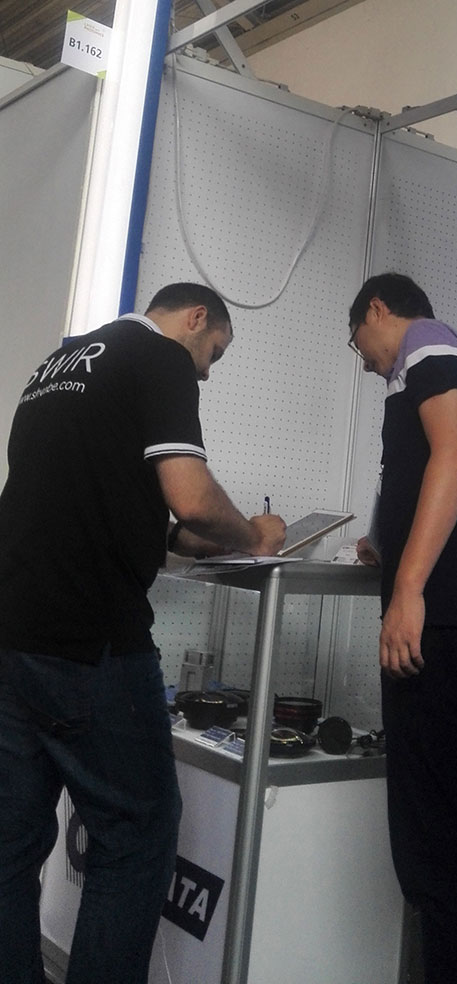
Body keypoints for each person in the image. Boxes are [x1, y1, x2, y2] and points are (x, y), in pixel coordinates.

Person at [0, 283, 286, 984]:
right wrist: (254, 535)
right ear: (195, 319)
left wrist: (205, 539)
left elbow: (122, 514)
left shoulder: (58, 365)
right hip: (90, 639)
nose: (206, 371)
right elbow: (191, 495)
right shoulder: (159, 356)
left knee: (10, 844)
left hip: (12, 635)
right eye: (214, 352)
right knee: (137, 835)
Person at [347, 272, 457, 984]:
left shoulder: (426, 346)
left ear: (377, 310)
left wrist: (409, 586)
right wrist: (390, 541)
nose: (365, 362)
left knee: (434, 851)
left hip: (444, 628)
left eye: (358, 342)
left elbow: (454, 456)